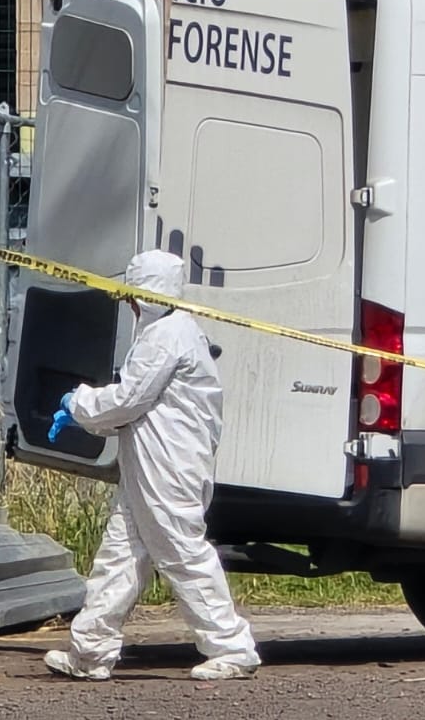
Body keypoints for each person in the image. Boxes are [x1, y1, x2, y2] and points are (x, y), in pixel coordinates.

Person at [43, 249, 261, 682]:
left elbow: (127, 401)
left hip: (167, 467)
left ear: (143, 296)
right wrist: (91, 412)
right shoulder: (174, 331)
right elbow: (138, 408)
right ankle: (90, 651)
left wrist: (78, 401)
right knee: (120, 554)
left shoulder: (166, 337)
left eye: (130, 296)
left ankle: (232, 647)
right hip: (153, 464)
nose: (128, 304)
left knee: (182, 552)